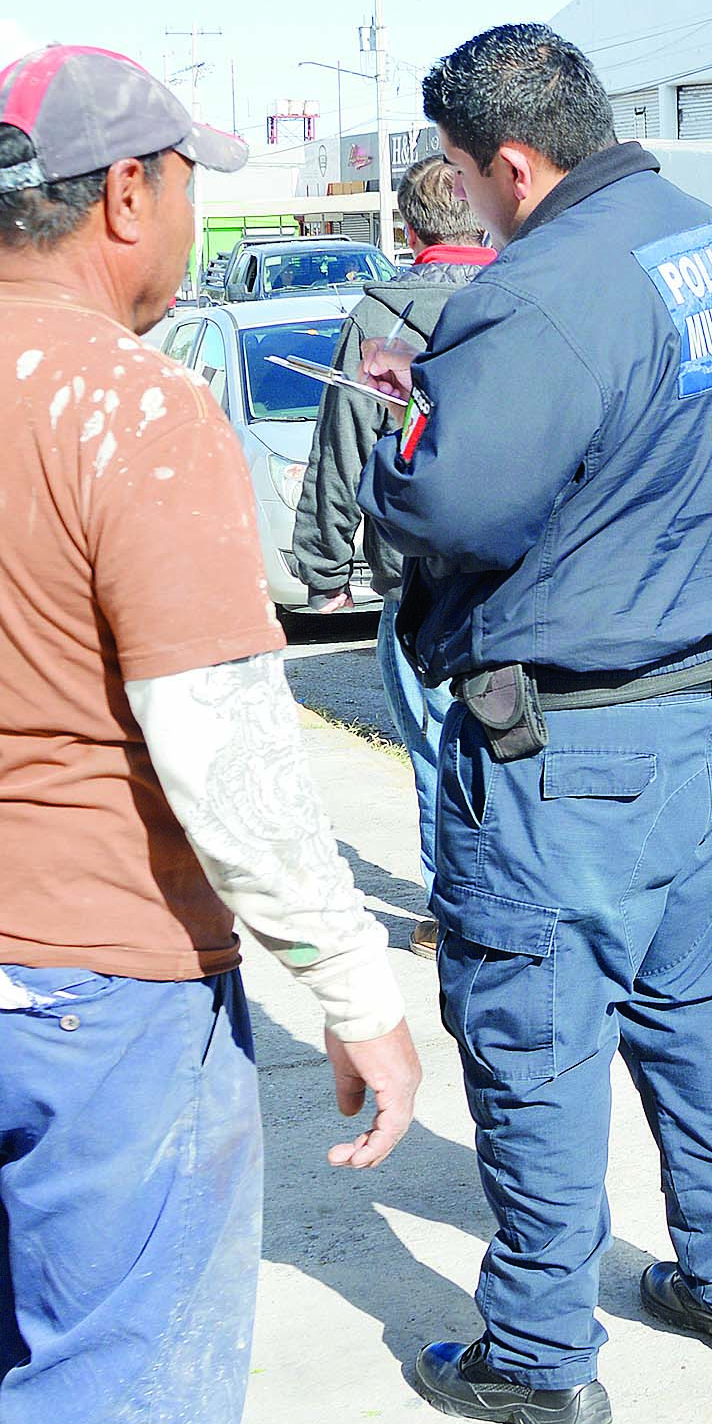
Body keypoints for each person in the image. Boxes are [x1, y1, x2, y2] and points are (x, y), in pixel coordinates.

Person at [0, 44, 422, 1424]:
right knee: (119, 1398)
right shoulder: (135, 412)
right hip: (99, 987)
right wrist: (353, 984)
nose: (193, 214)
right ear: (128, 195)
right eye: (190, 181)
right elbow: (222, 744)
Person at [357, 24, 712, 1424]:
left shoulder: (542, 293)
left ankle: (537, 1355)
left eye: (465, 180)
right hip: (702, 715)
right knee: (694, 1009)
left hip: (571, 751)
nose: (467, 204)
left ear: (513, 161)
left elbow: (448, 509)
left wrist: (392, 441)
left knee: (535, 1039)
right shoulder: (707, 244)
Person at [288, 155, 496, 958]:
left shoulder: (381, 314)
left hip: (418, 579)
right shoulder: (518, 301)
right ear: (477, 216)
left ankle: (455, 913)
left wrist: (324, 565)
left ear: (409, 231)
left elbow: (342, 447)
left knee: (434, 742)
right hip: (521, 572)